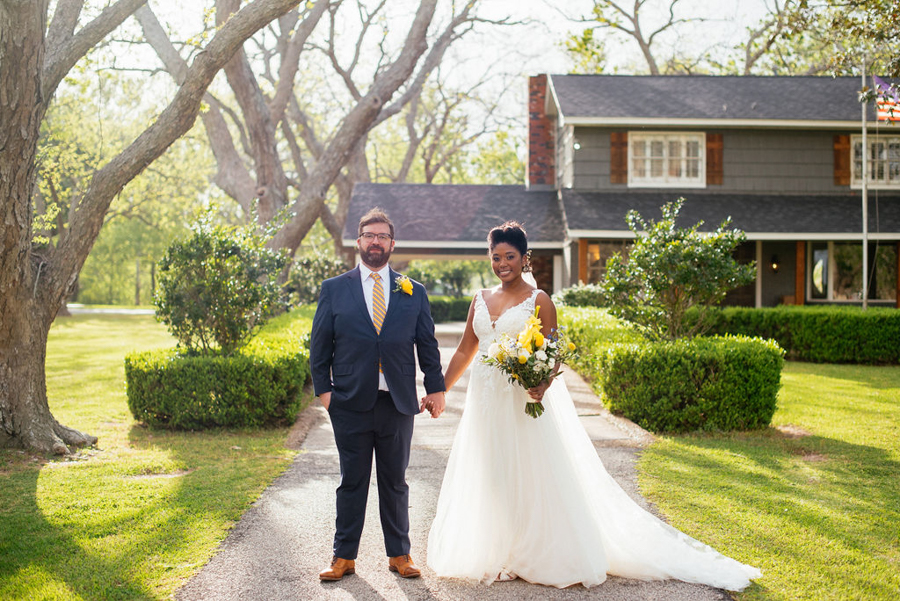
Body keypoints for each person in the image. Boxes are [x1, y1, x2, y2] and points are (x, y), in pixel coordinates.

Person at [426, 221, 761, 590]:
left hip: (521, 403)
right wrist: (438, 389)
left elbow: (551, 353)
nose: (502, 263)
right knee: (492, 472)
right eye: (496, 257)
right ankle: (499, 548)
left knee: (530, 473)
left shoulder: (539, 301)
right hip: (485, 405)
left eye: (509, 256)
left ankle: (533, 550)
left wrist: (542, 382)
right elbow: (464, 351)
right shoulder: (480, 298)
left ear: (525, 258)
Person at [310, 207, 446, 582]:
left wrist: (436, 388)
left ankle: (399, 554)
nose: (375, 241)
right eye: (369, 235)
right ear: (359, 242)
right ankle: (343, 557)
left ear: (391, 243)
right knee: (351, 481)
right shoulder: (334, 289)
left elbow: (427, 344)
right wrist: (327, 396)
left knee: (395, 481)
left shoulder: (412, 291)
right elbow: (319, 349)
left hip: (397, 403)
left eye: (382, 236)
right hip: (350, 403)